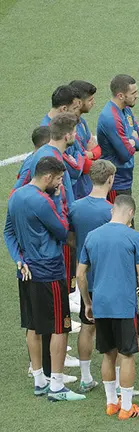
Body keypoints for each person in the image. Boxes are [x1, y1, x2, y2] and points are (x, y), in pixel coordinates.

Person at [4, 156, 84, 401]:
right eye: (59, 179)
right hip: (49, 271)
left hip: (26, 271)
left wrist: (18, 257)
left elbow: (8, 231)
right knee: (60, 327)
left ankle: (40, 380)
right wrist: (59, 199)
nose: (60, 184)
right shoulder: (44, 201)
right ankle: (57, 386)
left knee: (33, 326)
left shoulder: (16, 195)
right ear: (48, 177)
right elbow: (61, 230)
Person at [77, 194, 139, 419]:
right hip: (124, 306)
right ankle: (127, 407)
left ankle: (111, 403)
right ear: (131, 213)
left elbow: (80, 274)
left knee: (108, 354)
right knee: (127, 355)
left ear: (113, 211)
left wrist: (88, 303)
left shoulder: (92, 236)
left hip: (101, 304)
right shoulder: (134, 237)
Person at [68, 159, 116, 393]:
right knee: (117, 329)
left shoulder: (75, 207)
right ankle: (116, 383)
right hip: (110, 278)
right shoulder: (111, 211)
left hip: (85, 276)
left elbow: (69, 237)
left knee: (88, 326)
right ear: (110, 179)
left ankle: (86, 377)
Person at [97, 74, 139, 206]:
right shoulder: (111, 118)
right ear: (120, 96)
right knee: (120, 222)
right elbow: (125, 154)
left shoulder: (126, 110)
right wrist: (133, 138)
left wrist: (133, 141)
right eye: (133, 93)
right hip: (114, 182)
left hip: (125, 179)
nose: (137, 95)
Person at [69, 80, 102, 200]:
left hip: (87, 187)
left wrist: (90, 154)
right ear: (78, 102)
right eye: (90, 100)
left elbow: (98, 150)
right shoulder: (67, 129)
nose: (93, 103)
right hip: (75, 191)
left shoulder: (82, 123)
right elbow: (84, 165)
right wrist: (89, 156)